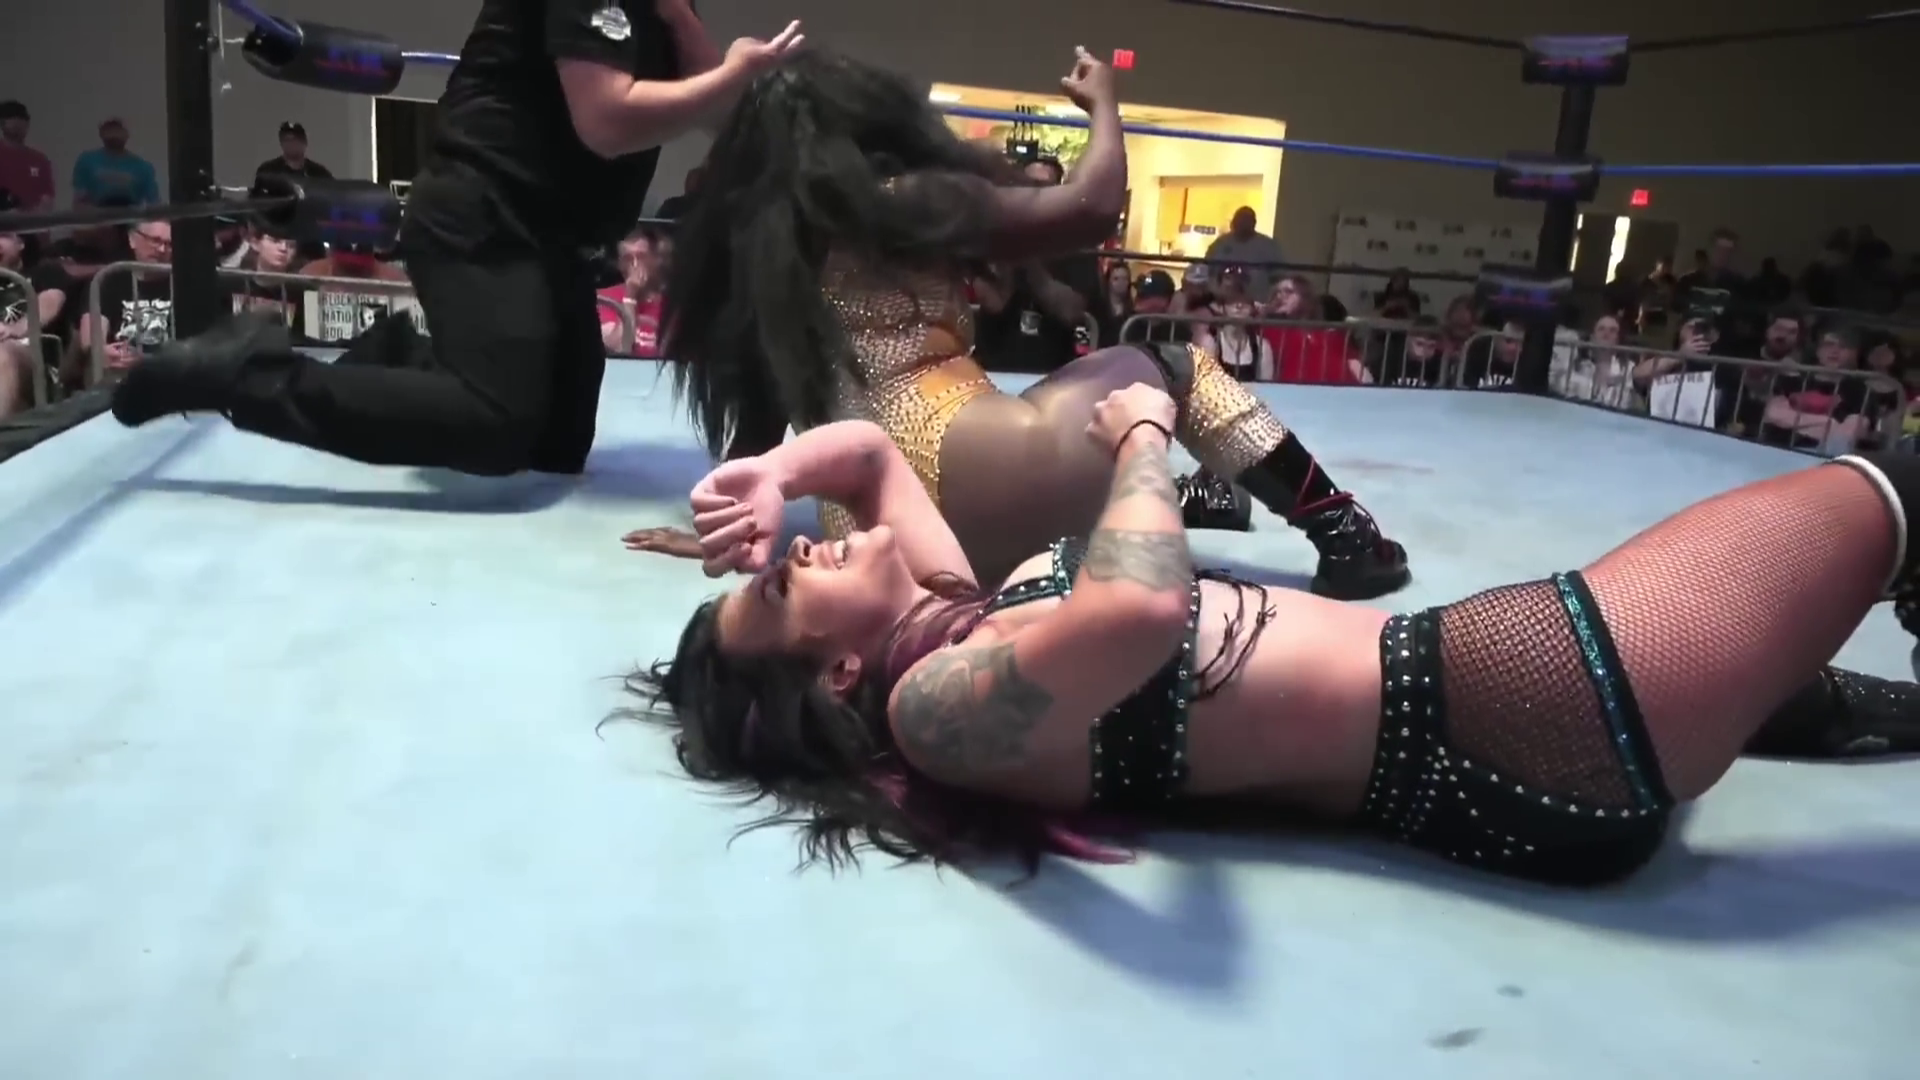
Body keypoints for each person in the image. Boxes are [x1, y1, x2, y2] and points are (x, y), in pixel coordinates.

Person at [629, 386, 1920, 879]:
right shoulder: (937, 707)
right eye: (783, 588)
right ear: (839, 673)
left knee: (1832, 576)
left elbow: (864, 451)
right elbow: (1137, 611)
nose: (800, 547)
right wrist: (1145, 443)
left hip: (1504, 703)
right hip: (1527, 712)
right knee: (1899, 489)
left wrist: (772, 471)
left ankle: (1780, 694)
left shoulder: (947, 608)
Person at [629, 47, 1408, 598]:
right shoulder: (897, 200)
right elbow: (1091, 207)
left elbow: (760, 421)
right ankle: (1346, 536)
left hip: (873, 530)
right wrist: (1105, 105)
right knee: (1170, 368)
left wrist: (728, 527)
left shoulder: (761, 249)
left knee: (1066, 422)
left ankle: (1193, 496)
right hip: (977, 470)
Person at [110, 0, 804, 478]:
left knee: (557, 447)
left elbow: (722, 114)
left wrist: (681, 20)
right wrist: (733, 71)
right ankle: (245, 377)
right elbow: (607, 120)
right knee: (496, 425)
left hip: (553, 239)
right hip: (483, 215)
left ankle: (398, 353)